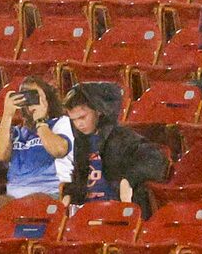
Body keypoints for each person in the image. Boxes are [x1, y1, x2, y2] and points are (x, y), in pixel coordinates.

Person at [61, 82, 167, 214]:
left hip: (114, 208)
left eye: (82, 117)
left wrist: (128, 180)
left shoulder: (122, 136)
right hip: (86, 210)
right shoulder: (81, 143)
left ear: (98, 111)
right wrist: (69, 194)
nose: (79, 124)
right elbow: (81, 179)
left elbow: (156, 158)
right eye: (74, 120)